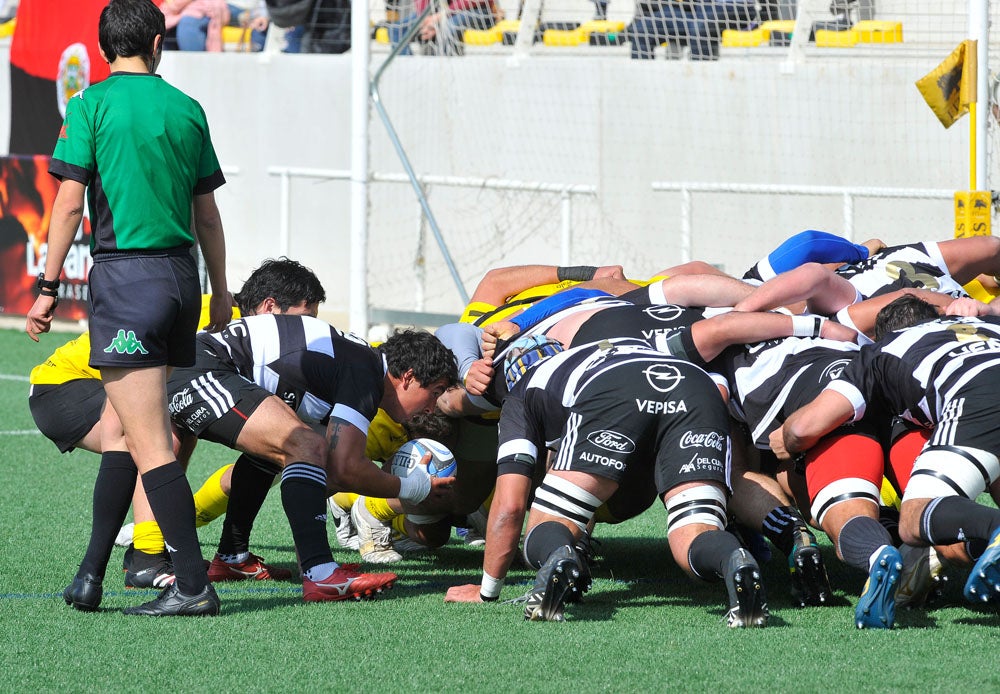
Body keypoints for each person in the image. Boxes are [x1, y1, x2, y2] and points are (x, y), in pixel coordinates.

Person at [26, 0, 231, 616]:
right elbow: (208, 215)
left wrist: (48, 284)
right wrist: (220, 290)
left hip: (126, 281)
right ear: (157, 42)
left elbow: (67, 205)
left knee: (150, 443)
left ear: (104, 46)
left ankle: (190, 584)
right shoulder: (187, 109)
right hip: (179, 280)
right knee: (124, 428)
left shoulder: (90, 105)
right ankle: (90, 574)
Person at [28, 257, 326, 588]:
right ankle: (146, 558)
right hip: (62, 388)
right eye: (304, 319)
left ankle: (230, 554)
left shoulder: (249, 330)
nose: (307, 331)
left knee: (221, 428)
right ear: (269, 306)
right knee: (162, 426)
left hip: (97, 386)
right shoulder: (219, 319)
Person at [445, 336, 769, 628]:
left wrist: (487, 590)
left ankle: (559, 556)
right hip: (696, 385)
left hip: (615, 387)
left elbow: (511, 504)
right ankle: (732, 560)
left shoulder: (522, 391)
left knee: (546, 523)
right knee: (694, 531)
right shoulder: (590, 351)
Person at [167, 318, 460, 601]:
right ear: (408, 377)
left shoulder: (360, 365)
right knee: (305, 446)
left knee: (291, 452)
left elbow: (331, 474)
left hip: (199, 366)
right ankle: (320, 574)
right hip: (199, 369)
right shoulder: (366, 373)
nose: (433, 408)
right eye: (434, 393)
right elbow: (347, 470)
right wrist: (415, 487)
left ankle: (234, 558)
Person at [775, 296, 1000, 628]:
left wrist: (785, 442)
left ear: (884, 335)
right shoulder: (987, 325)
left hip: (976, 393)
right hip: (980, 380)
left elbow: (803, 428)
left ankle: (989, 530)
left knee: (914, 516)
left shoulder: (884, 351)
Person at [628, 0, 754, 60]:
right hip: (692, 10)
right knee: (642, 29)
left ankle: (701, 88)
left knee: (701, 28)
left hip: (732, 9)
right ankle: (643, 94)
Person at [390, 0, 498, 56]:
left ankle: (448, 74)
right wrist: (425, 18)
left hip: (477, 10)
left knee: (448, 26)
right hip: (440, 12)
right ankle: (410, 73)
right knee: (396, 29)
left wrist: (439, 18)